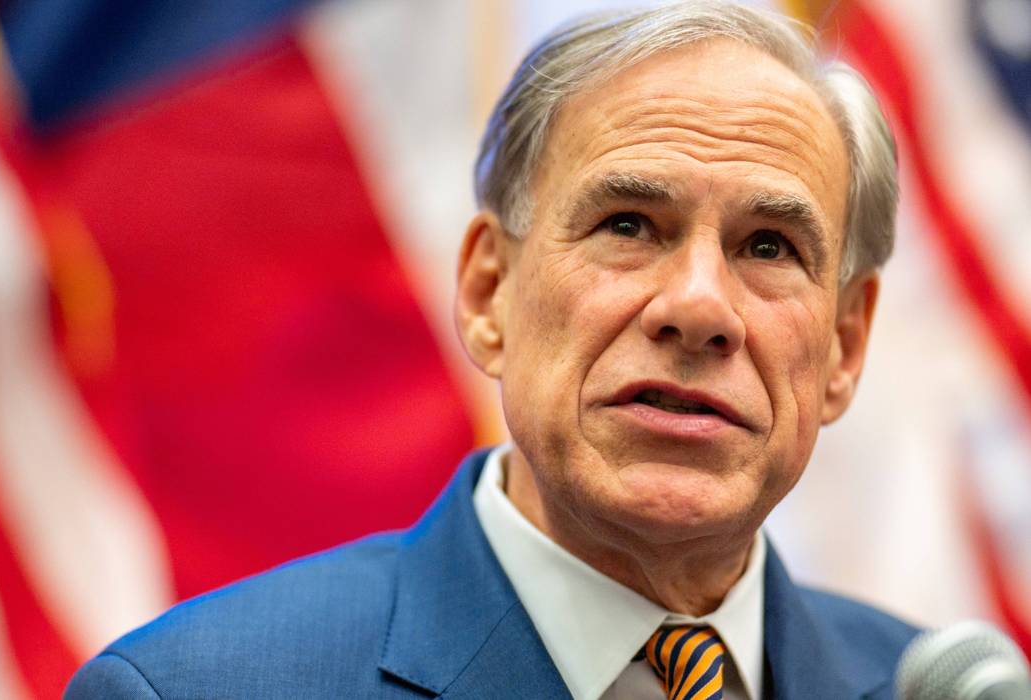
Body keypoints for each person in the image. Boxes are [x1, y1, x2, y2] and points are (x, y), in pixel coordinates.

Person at [65, 2, 915, 698]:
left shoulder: (932, 686)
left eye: (768, 247)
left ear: (843, 345)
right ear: (487, 294)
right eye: (627, 225)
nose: (697, 307)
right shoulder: (196, 690)